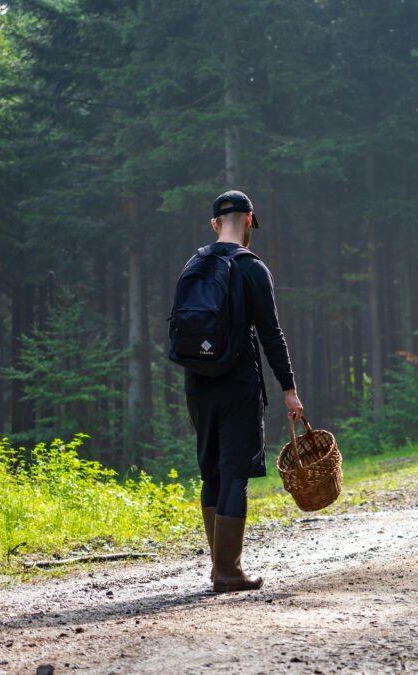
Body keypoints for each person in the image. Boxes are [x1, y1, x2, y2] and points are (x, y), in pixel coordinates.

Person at [184, 190, 304, 593]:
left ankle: (218, 568)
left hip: (197, 382)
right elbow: (271, 335)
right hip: (238, 383)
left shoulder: (195, 262)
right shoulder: (252, 268)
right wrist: (289, 388)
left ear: (215, 224)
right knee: (235, 472)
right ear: (250, 220)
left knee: (211, 472)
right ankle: (229, 572)